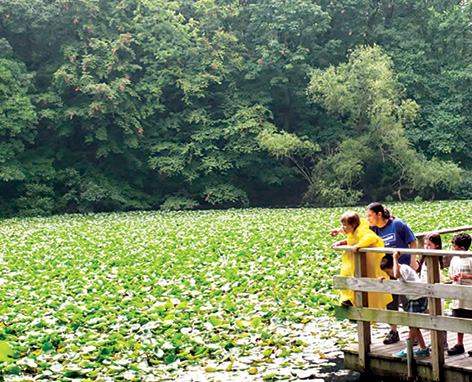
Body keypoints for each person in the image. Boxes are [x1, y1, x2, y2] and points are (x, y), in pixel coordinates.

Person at [330, 202, 418, 344]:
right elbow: (357, 232)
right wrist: (341, 239)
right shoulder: (373, 228)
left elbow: (412, 241)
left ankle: (413, 333)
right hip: (387, 269)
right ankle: (394, 331)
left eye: (370, 215)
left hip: (404, 268)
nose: (368, 218)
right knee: (391, 301)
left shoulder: (398, 224)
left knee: (408, 302)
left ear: (379, 214)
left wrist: (413, 261)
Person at [331, 211, 392, 309]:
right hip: (353, 264)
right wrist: (340, 238)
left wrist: (359, 246)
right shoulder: (353, 230)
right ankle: (348, 300)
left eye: (345, 225)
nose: (343, 227)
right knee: (347, 277)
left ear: (353, 225)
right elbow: (352, 237)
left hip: (368, 264)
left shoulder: (362, 231)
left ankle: (353, 302)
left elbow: (372, 238)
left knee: (365, 288)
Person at [379, 252, 430, 357]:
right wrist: (385, 280)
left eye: (388, 272)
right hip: (415, 298)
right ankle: (423, 348)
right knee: (414, 325)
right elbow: (398, 279)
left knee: (412, 324)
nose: (389, 275)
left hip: (418, 298)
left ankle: (408, 349)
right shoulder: (400, 270)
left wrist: (395, 258)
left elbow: (397, 274)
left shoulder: (403, 269)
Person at [446, 232, 472, 356]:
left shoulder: (470, 259)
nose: (452, 249)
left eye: (454, 247)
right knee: (458, 319)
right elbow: (450, 274)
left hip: (469, 296)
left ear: (462, 249)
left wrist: (466, 276)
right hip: (457, 294)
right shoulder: (454, 259)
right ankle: (459, 344)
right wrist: (453, 276)